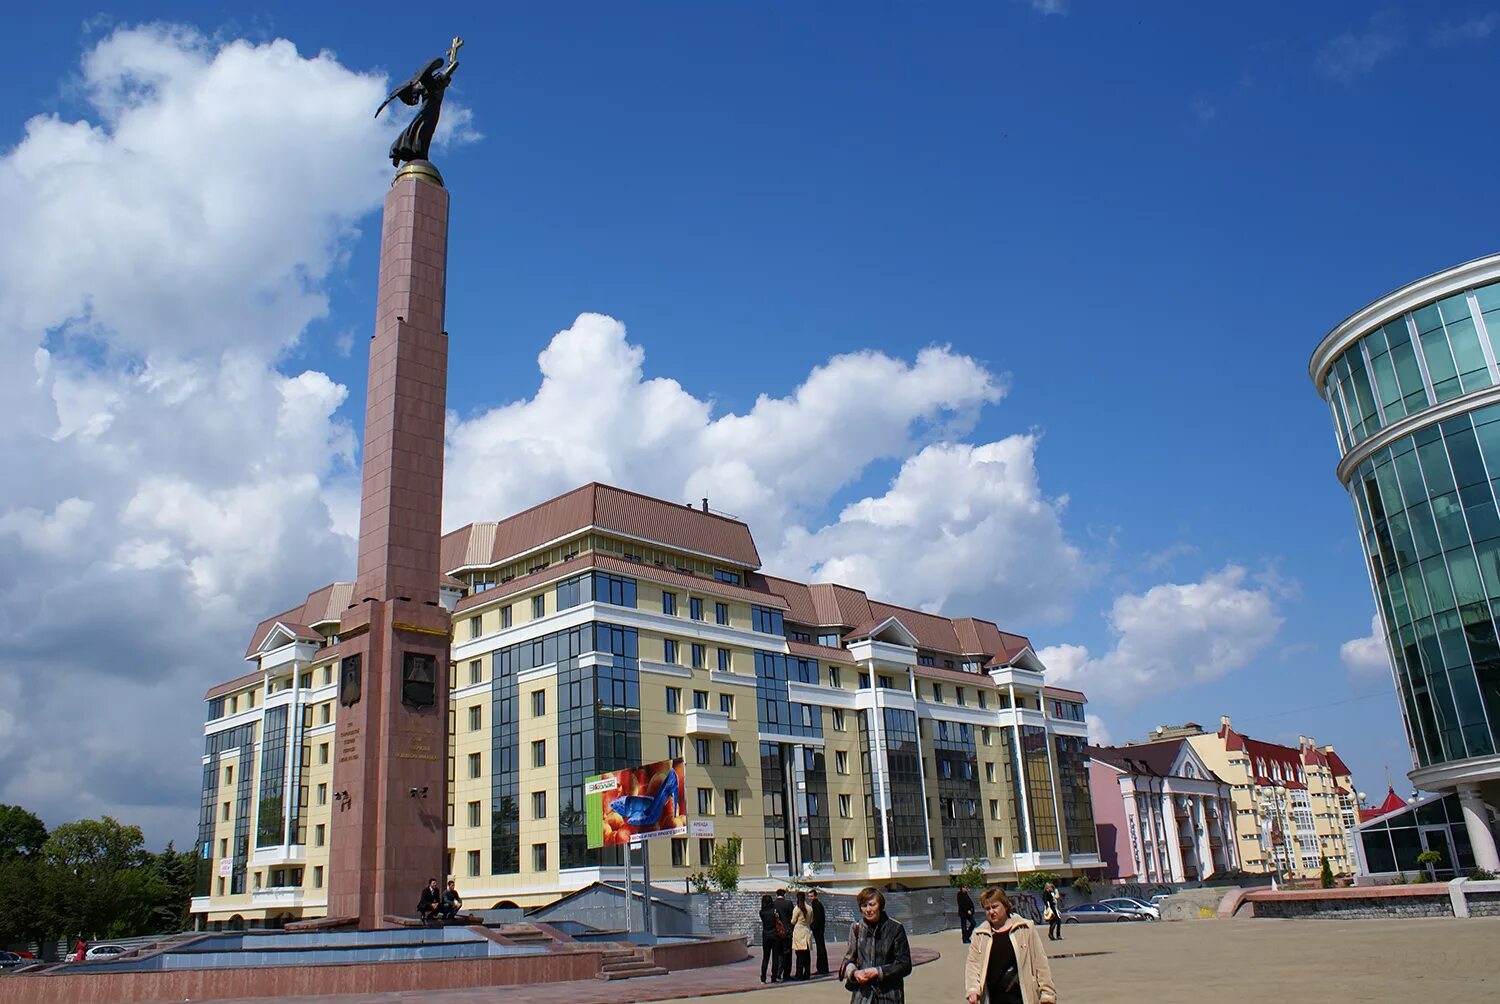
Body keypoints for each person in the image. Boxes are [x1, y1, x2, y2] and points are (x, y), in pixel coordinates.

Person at [965, 886, 1056, 1004]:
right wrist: (973, 990)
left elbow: (1040, 962)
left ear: (1005, 905)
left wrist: (1047, 994)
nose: (991, 912)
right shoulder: (979, 935)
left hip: (1022, 996)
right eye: (987, 909)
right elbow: (973, 965)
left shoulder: (1025, 928)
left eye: (995, 907)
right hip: (994, 998)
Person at [839, 886, 911, 1003]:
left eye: (872, 904)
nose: (868, 909)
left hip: (889, 996)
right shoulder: (856, 928)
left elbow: (905, 965)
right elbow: (849, 959)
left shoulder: (895, 928)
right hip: (863, 997)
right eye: (864, 906)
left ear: (880, 905)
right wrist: (854, 973)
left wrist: (878, 972)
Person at [773, 887, 794, 981]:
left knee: (778, 954)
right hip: (787, 932)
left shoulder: (773, 904)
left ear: (777, 895)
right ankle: (786, 973)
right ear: (784, 895)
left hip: (777, 932)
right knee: (787, 953)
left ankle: (778, 973)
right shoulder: (788, 903)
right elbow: (792, 917)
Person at [759, 894, 781, 984]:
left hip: (766, 935)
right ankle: (774, 976)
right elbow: (778, 919)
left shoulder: (761, 912)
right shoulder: (774, 911)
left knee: (765, 957)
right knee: (775, 957)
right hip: (775, 935)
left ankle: (763, 978)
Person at [791, 890, 813, 980]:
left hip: (799, 932)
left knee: (799, 955)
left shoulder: (797, 909)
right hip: (807, 931)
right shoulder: (810, 908)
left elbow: (793, 921)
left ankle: (799, 974)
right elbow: (811, 920)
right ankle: (807, 973)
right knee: (807, 955)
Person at [809, 888, 829, 975]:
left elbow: (817, 919)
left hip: (818, 929)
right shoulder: (816, 904)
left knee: (820, 948)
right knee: (820, 948)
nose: (810, 898)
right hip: (819, 929)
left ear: (815, 896)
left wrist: (812, 926)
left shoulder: (816, 905)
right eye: (809, 896)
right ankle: (822, 968)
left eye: (811, 896)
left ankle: (822, 968)